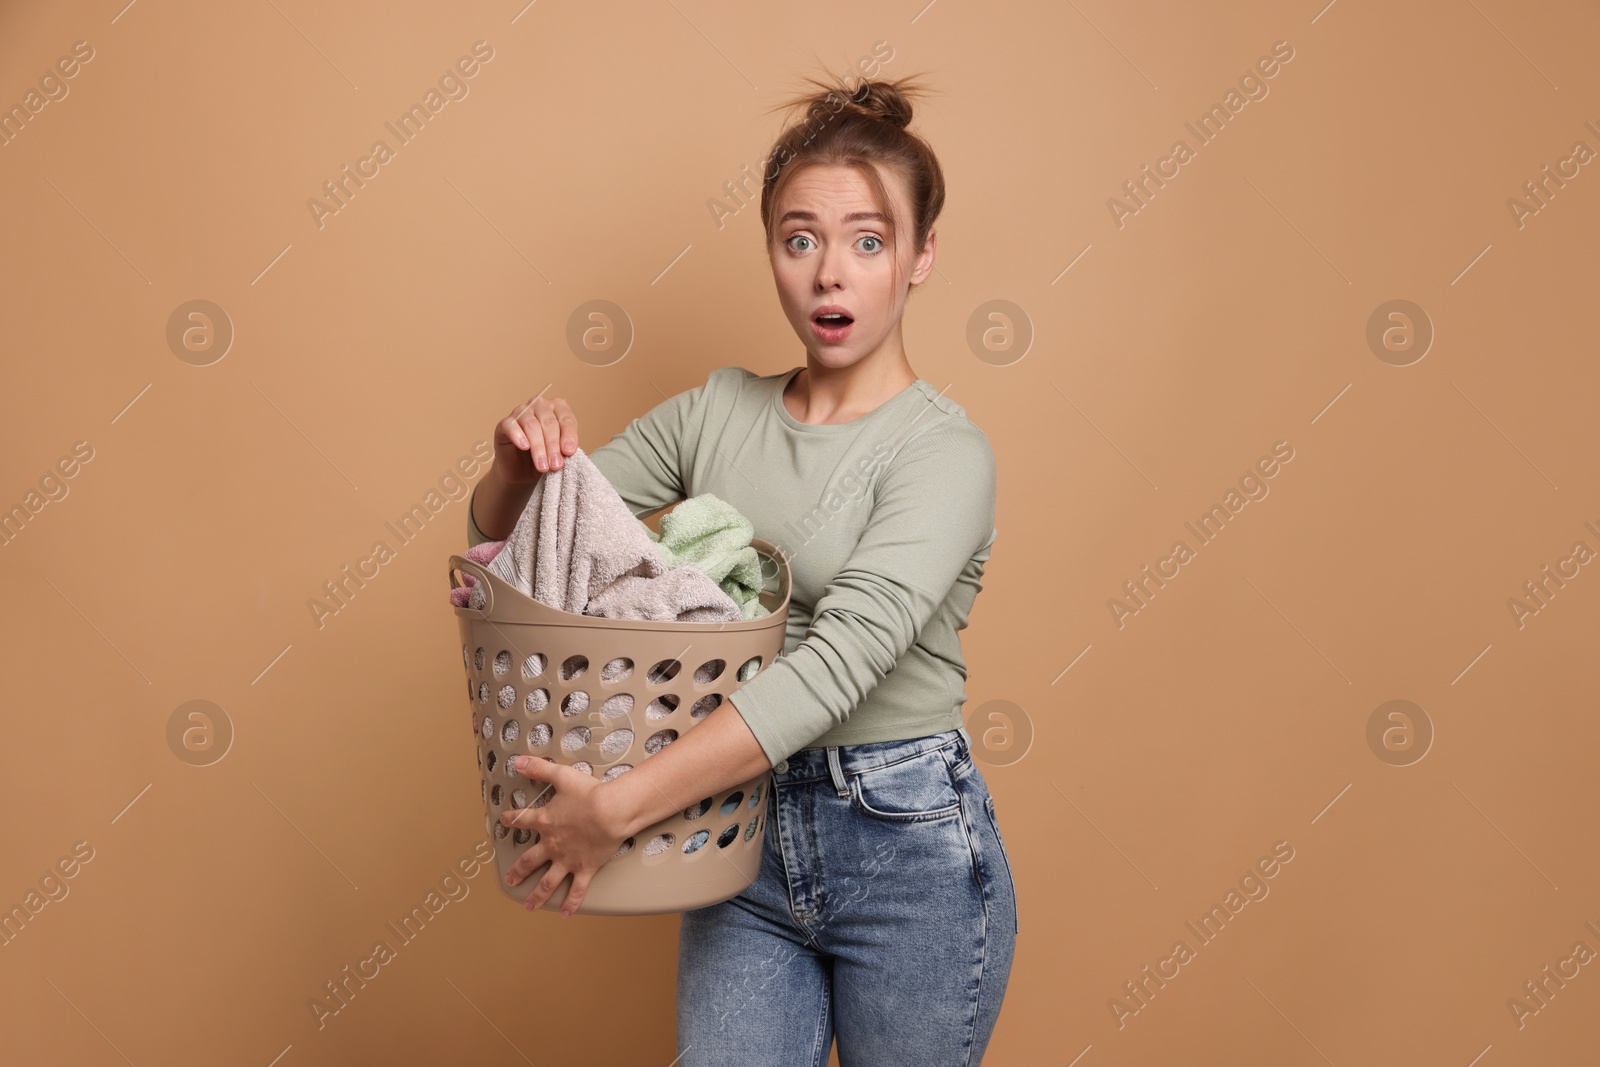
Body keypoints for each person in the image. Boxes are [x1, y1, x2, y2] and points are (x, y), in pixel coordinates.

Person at [466, 73, 1017, 1066]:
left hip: (907, 842)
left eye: (867, 239)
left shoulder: (944, 455)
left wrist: (623, 808)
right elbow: (532, 547)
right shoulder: (717, 411)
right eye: (798, 237)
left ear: (921, 255)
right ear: (770, 247)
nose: (828, 274)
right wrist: (513, 471)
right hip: (737, 828)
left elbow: (837, 665)